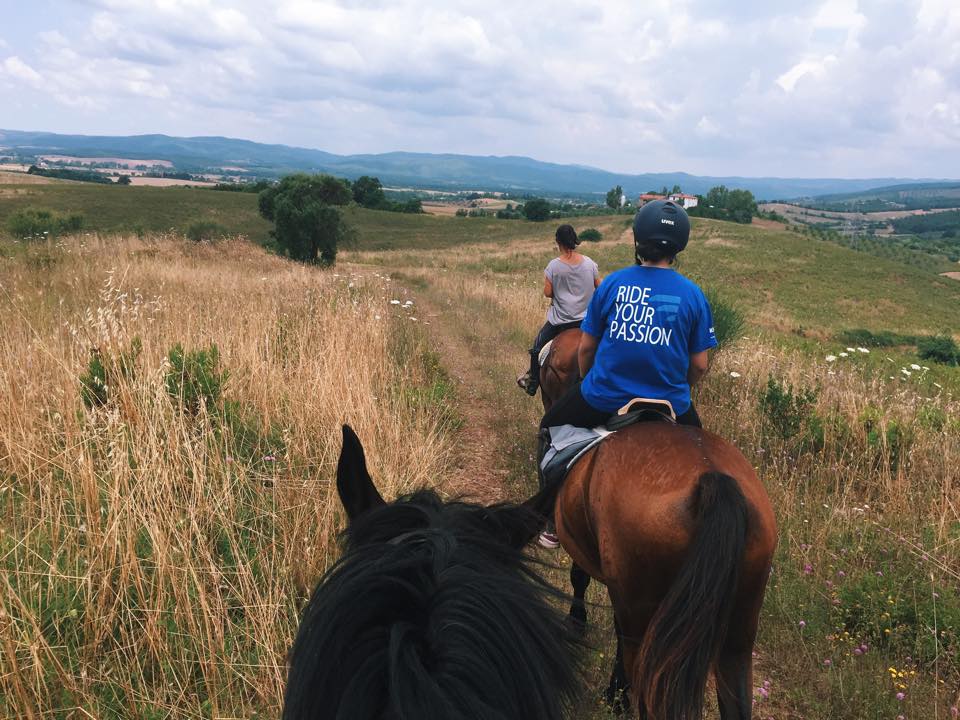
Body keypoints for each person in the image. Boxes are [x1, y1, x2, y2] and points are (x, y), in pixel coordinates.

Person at [537, 200, 716, 547]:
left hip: (605, 395)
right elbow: (699, 365)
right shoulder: (694, 295)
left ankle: (550, 520)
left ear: (638, 241)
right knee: (703, 458)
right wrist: (681, 389)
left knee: (548, 428)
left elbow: (586, 349)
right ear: (679, 247)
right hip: (671, 403)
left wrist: (587, 381)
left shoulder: (614, 285)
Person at [517, 224, 600, 396]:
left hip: (561, 322)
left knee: (538, 345)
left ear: (558, 242)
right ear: (575, 240)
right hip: (586, 322)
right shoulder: (590, 263)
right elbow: (599, 286)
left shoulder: (554, 266)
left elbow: (547, 292)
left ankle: (532, 381)